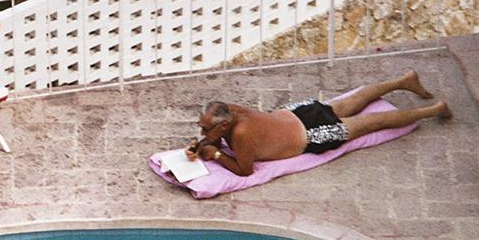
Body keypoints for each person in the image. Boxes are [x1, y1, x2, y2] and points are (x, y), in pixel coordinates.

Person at [184, 70, 452, 176]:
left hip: (313, 135)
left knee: (372, 123)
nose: (202, 130)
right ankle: (402, 80)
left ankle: (434, 110)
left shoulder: (241, 133)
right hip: (299, 113)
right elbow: (214, 135)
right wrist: (202, 143)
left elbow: (245, 170)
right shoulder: (229, 111)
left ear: (222, 125)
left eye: (206, 128)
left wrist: (216, 153)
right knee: (354, 100)